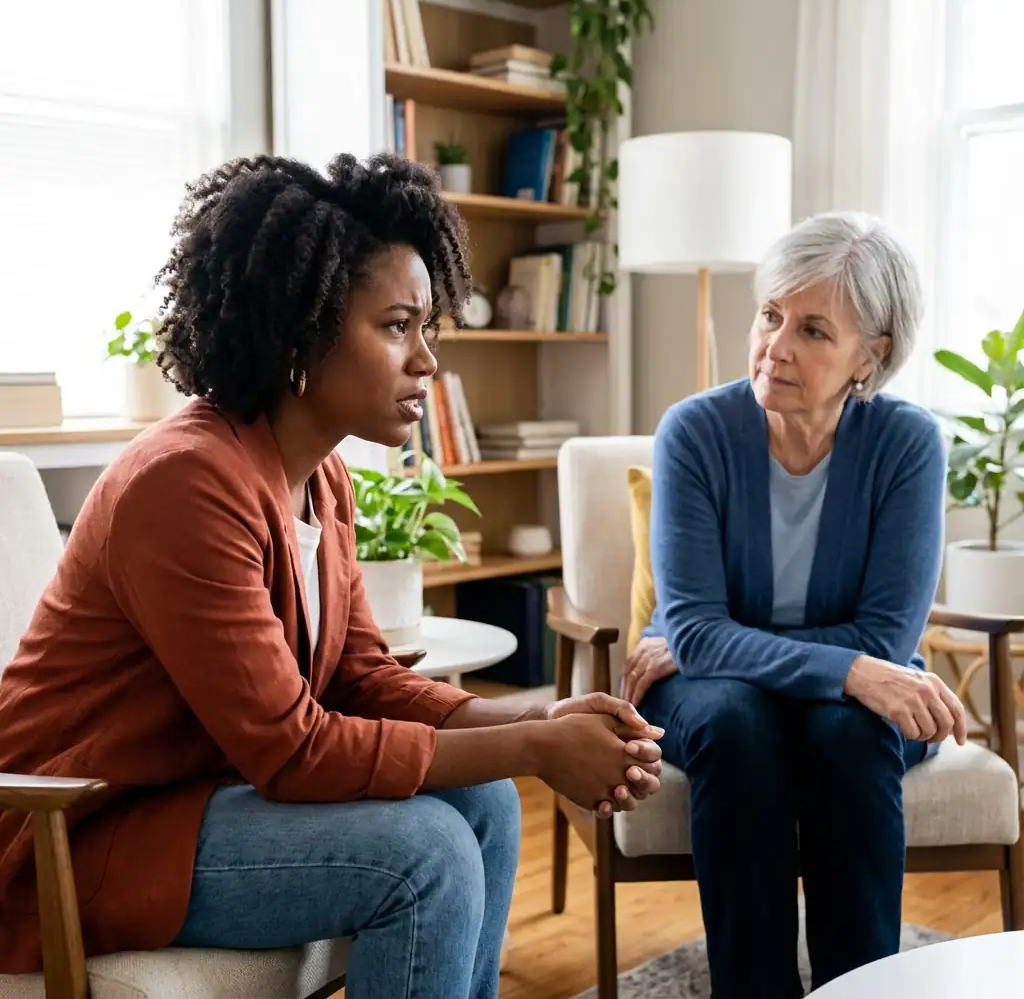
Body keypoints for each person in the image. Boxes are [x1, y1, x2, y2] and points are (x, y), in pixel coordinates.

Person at [0, 152, 665, 999]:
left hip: (192, 801)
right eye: (395, 326)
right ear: (299, 333)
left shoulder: (322, 477)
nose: (427, 359)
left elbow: (361, 676)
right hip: (78, 833)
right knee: (423, 855)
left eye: (428, 325)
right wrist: (536, 745)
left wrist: (539, 713)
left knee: (489, 804)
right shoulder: (186, 483)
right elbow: (293, 751)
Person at [620, 211, 968, 998]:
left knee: (849, 732)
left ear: (869, 356)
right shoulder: (695, 432)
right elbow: (704, 641)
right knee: (739, 724)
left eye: (812, 330)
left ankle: (863, 989)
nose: (775, 346)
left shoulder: (908, 445)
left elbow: (884, 635)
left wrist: (723, 638)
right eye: (770, 314)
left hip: (850, 694)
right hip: (711, 690)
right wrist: (831, 664)